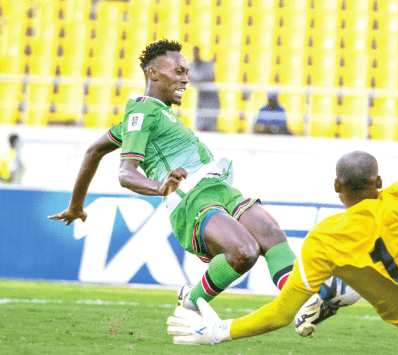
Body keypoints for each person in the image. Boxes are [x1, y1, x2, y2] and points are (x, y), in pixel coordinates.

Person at [165, 48, 398, 354]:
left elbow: (281, 314)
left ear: (335, 188)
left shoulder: (323, 242)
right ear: (379, 182)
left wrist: (219, 331)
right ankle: (343, 290)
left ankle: (343, 288)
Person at [48, 39, 298, 310]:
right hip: (191, 199)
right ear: (153, 73)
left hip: (217, 189)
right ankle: (193, 301)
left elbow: (94, 152)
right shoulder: (142, 113)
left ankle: (304, 302)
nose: (187, 79)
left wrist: (75, 206)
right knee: (244, 252)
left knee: (270, 233)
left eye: (187, 72)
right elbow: (125, 172)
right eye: (179, 72)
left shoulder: (152, 115)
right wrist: (160, 188)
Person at [188, 45, 220, 132]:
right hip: (199, 99)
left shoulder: (208, 64)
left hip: (211, 100)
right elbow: (187, 77)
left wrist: (197, 81)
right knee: (199, 126)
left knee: (211, 126)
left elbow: (211, 78)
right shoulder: (189, 65)